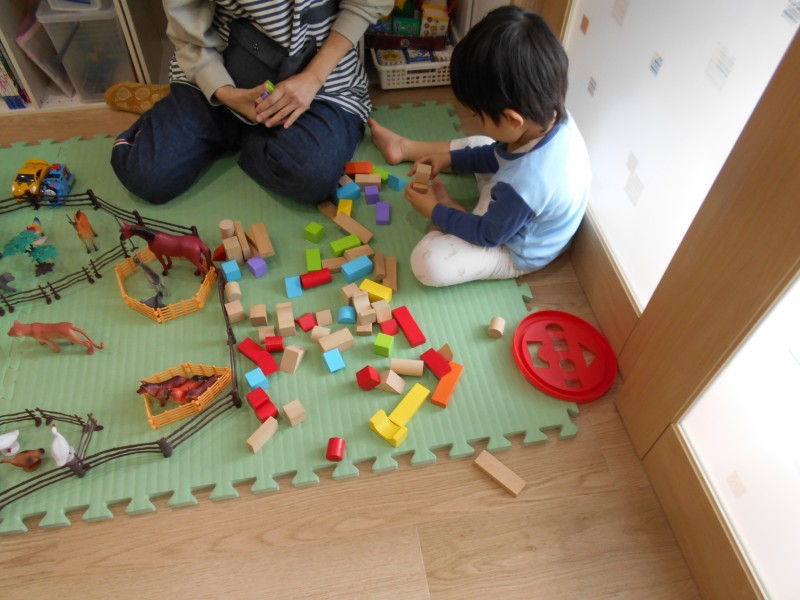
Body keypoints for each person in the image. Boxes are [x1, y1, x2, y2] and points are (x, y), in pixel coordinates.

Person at [369, 6, 591, 287]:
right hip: (512, 208)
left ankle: (454, 213)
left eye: (477, 114)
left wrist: (436, 211)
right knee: (481, 143)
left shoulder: (526, 183)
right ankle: (404, 148)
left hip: (514, 248)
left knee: (428, 262)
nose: (474, 119)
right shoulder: (547, 117)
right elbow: (499, 155)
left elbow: (488, 235)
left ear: (513, 120)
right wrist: (448, 159)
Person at [110, 0, 393, 205]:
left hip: (320, 77)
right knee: (146, 176)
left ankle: (235, 134)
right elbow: (187, 31)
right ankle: (220, 123)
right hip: (217, 70)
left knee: (314, 177)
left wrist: (313, 77)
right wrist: (223, 92)